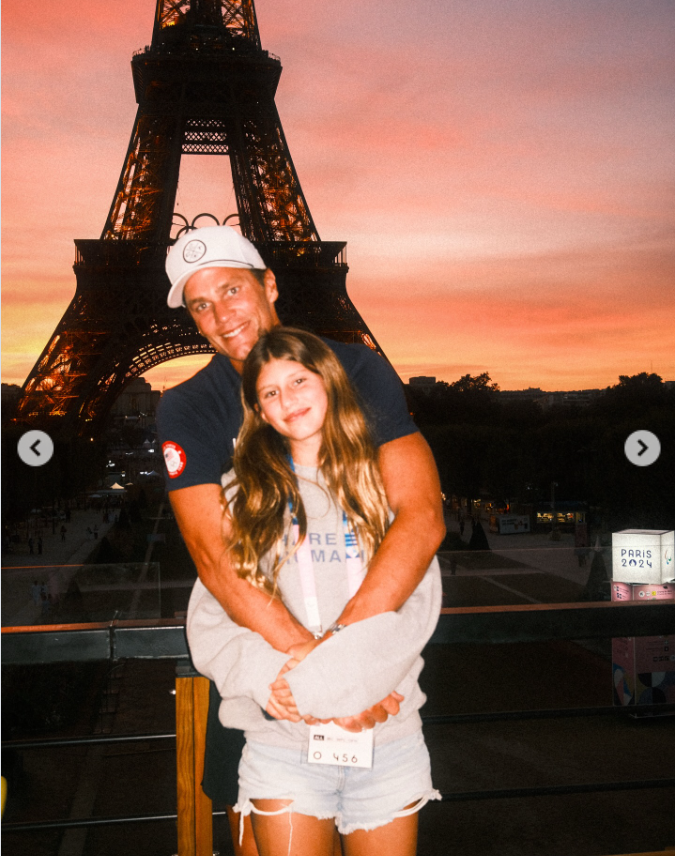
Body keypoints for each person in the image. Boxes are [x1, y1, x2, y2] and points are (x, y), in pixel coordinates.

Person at [157, 225, 445, 854]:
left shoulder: (358, 368)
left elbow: (419, 520)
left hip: (372, 692)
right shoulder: (187, 409)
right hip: (274, 697)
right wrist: (317, 678)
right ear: (256, 413)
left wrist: (340, 671)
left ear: (270, 283)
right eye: (200, 303)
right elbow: (216, 560)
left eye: (232, 289)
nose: (220, 314)